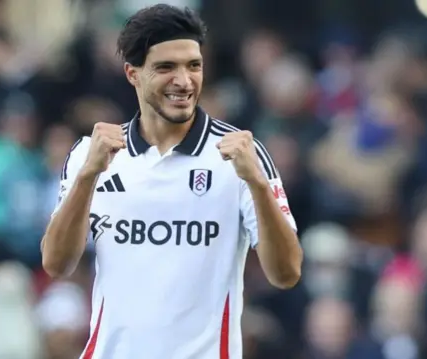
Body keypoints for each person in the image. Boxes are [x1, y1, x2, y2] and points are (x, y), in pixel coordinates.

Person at [41, 4, 303, 359]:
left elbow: (286, 273)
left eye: (193, 65)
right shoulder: (92, 154)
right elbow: (57, 264)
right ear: (133, 73)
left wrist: (256, 183)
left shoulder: (239, 154)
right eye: (166, 67)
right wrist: (87, 176)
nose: (184, 80)